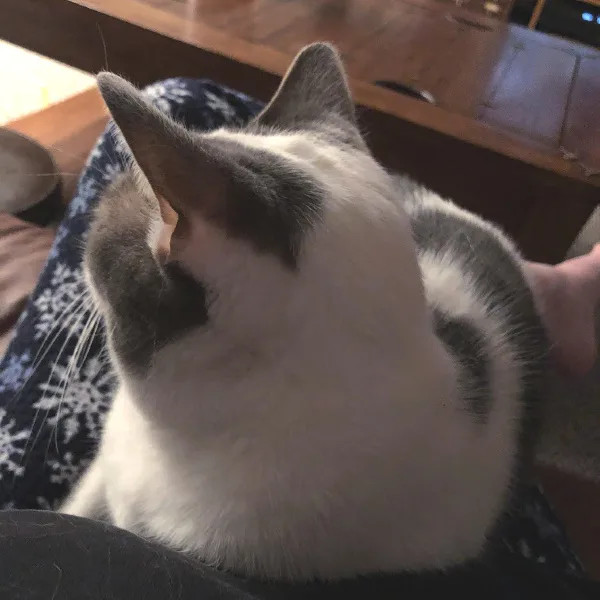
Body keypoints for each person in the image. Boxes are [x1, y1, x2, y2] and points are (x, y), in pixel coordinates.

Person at [0, 77, 597, 598]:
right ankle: (553, 291)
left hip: (289, 306)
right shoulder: (245, 307)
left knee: (173, 103)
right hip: (416, 299)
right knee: (179, 104)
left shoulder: (293, 543)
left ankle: (550, 291)